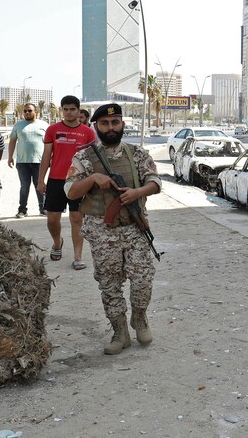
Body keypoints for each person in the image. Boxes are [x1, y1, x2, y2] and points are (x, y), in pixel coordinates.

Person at [65, 103, 161, 355]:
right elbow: (71, 191)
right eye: (105, 124)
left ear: (122, 125)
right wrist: (93, 179)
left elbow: (155, 181)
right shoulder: (84, 157)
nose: (110, 128)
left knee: (142, 278)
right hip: (101, 230)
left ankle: (139, 318)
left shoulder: (136, 154)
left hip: (134, 226)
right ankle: (119, 331)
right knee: (109, 283)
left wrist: (137, 192)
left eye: (115, 122)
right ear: (96, 126)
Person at [38, 95, 97, 270]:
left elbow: (93, 159)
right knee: (52, 219)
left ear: (79, 111)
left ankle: (77, 256)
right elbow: (46, 156)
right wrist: (41, 180)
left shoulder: (88, 133)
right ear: (61, 110)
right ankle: (58, 242)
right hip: (56, 180)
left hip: (78, 181)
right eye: (65, 109)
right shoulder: (52, 130)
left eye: (72, 109)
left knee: (76, 218)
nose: (69, 112)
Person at [8, 103, 48, 218]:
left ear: (36, 112)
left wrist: (51, 157)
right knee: (24, 186)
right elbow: (12, 141)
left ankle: (43, 208)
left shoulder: (44, 125)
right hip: (22, 162)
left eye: (29, 111)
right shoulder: (18, 125)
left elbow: (50, 143)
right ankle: (22, 210)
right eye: (25, 111)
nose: (27, 113)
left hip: (39, 161)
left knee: (39, 184)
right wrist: (10, 157)